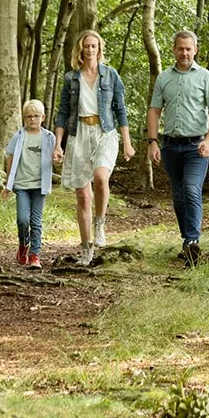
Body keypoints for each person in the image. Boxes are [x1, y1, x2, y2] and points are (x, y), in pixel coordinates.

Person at [55, 29, 133, 266]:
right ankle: (86, 248)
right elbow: (63, 113)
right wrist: (58, 144)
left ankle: (100, 223)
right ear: (80, 49)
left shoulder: (110, 76)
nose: (90, 50)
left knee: (100, 177)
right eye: (86, 46)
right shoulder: (71, 79)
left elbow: (120, 109)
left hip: (105, 132)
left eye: (94, 46)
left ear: (99, 49)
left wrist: (127, 142)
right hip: (79, 133)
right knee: (82, 196)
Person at [145, 30, 209, 265]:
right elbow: (154, 110)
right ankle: (186, 239)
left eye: (189, 49)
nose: (184, 53)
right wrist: (152, 142)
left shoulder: (206, 77)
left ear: (195, 50)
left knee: (191, 190)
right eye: (180, 48)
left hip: (196, 147)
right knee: (178, 197)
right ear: (174, 49)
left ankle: (192, 240)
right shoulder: (163, 78)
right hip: (170, 146)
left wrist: (208, 140)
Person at [4, 99, 62, 269]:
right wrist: (8, 183)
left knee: (36, 221)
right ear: (24, 118)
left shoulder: (49, 137)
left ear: (42, 117)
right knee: (23, 220)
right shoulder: (19, 136)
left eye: (36, 116)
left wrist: (57, 160)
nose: (32, 119)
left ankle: (34, 255)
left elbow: (55, 160)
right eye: (29, 116)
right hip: (22, 185)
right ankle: (23, 244)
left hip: (39, 186)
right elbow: (10, 158)